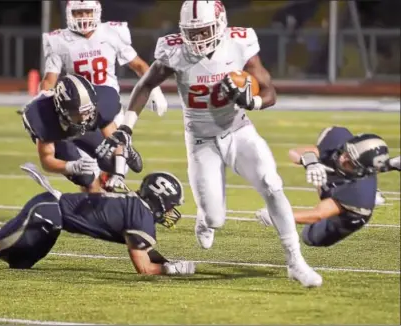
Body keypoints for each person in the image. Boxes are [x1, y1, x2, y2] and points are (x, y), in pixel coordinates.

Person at [96, 0, 322, 287]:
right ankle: (205, 217)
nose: (199, 38)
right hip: (200, 139)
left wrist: (252, 101)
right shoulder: (174, 50)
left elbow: (270, 92)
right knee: (215, 218)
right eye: (193, 32)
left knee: (271, 183)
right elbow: (145, 84)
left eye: (204, 31)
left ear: (220, 24)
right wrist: (127, 127)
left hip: (239, 129)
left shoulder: (239, 42)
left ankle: (295, 261)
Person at [0, 163, 195, 276]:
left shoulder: (138, 209)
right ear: (159, 199)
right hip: (48, 212)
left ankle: (3, 231)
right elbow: (143, 267)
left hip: (51, 215)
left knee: (20, 263)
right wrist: (170, 270)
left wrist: (168, 263)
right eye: (171, 205)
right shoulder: (141, 217)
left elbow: (144, 249)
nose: (171, 211)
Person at [18, 0, 167, 117]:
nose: (83, 17)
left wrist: (155, 91)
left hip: (109, 105)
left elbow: (139, 65)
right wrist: (41, 101)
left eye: (87, 12)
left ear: (96, 12)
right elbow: (50, 79)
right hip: (77, 108)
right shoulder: (60, 40)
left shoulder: (111, 32)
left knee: (118, 152)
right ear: (70, 14)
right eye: (78, 12)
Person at [256, 126, 400, 247]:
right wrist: (311, 162)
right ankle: (390, 164)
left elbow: (318, 214)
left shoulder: (358, 194)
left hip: (349, 215)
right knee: (323, 167)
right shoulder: (339, 142)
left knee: (310, 238)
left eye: (349, 162)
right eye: (345, 152)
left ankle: (374, 188)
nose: (342, 158)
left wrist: (277, 215)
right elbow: (295, 152)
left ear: (361, 170)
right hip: (352, 178)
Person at [21, 73, 142, 193]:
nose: (84, 119)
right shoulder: (44, 117)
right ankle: (93, 198)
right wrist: (73, 166)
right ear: (61, 110)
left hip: (79, 127)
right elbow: (47, 161)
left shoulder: (101, 104)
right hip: (60, 133)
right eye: (77, 115)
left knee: (112, 160)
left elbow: (115, 141)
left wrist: (119, 173)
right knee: (86, 178)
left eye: (88, 112)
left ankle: (106, 184)